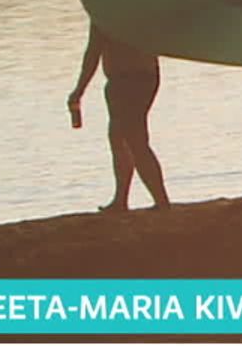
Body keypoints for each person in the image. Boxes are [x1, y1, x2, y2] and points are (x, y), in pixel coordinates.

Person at [68, 19, 170, 212]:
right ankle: (121, 200)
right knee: (118, 136)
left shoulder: (106, 13)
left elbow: (93, 54)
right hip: (142, 77)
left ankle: (161, 202)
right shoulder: (134, 9)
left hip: (128, 80)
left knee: (135, 140)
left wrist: (79, 90)